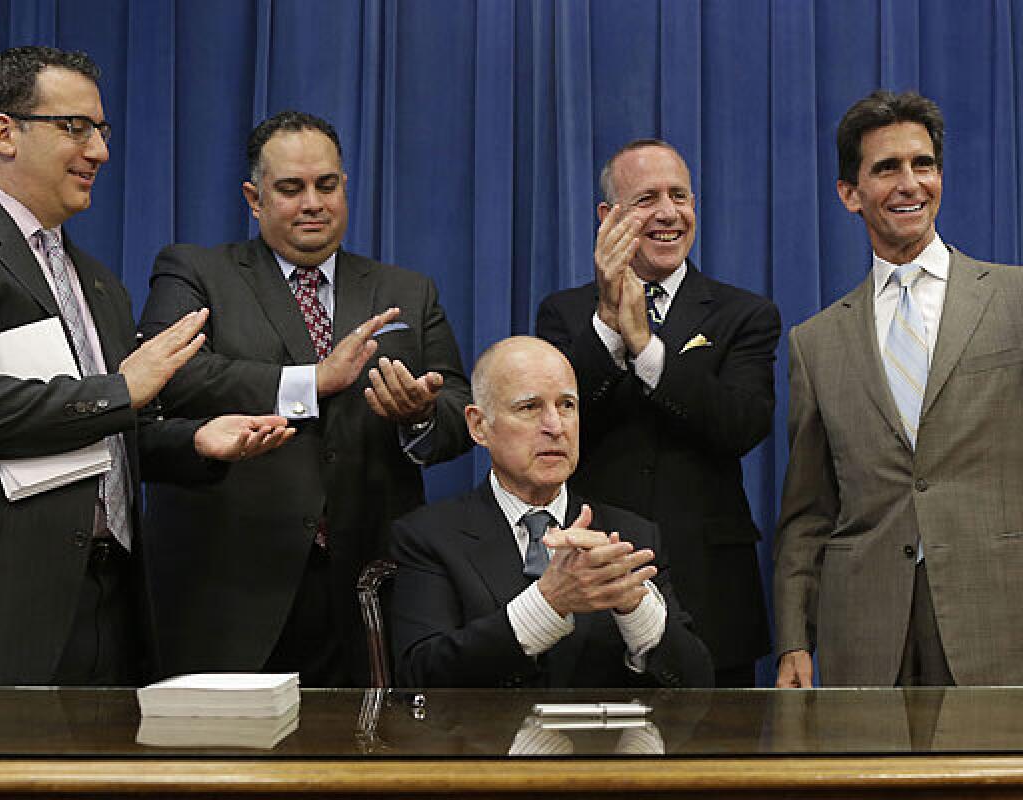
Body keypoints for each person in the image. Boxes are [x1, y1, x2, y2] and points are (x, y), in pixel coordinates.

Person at [0, 46, 292, 692]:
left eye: (102, 130)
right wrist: (123, 390)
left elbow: (108, 430)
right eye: (75, 127)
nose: (99, 152)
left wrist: (195, 441)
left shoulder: (100, 284)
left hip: (106, 612)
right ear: (4, 132)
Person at [137, 110, 473, 686]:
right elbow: (170, 377)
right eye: (291, 189)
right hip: (232, 585)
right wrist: (312, 382)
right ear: (254, 197)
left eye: (327, 185)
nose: (312, 203)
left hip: (369, 587)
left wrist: (418, 414)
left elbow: (461, 411)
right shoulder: (197, 272)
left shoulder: (406, 291)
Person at [774, 90, 1023, 687]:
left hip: (998, 624)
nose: (910, 183)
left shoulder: (1014, 300)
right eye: (886, 168)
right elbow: (809, 512)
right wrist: (791, 642)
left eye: (924, 164)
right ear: (849, 194)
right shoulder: (816, 342)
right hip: (863, 638)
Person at [536, 140, 780, 687]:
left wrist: (647, 350)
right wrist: (606, 322)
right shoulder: (564, 313)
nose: (669, 213)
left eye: (680, 196)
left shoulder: (746, 314)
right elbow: (554, 426)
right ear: (608, 217)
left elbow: (742, 425)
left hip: (711, 592)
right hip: (597, 582)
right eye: (647, 199)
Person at [391, 336, 712, 688]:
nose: (555, 427)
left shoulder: (630, 537)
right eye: (529, 408)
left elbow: (696, 686)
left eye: (567, 406)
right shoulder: (429, 536)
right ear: (478, 425)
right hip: (485, 741)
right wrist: (547, 605)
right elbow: (420, 678)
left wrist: (638, 610)